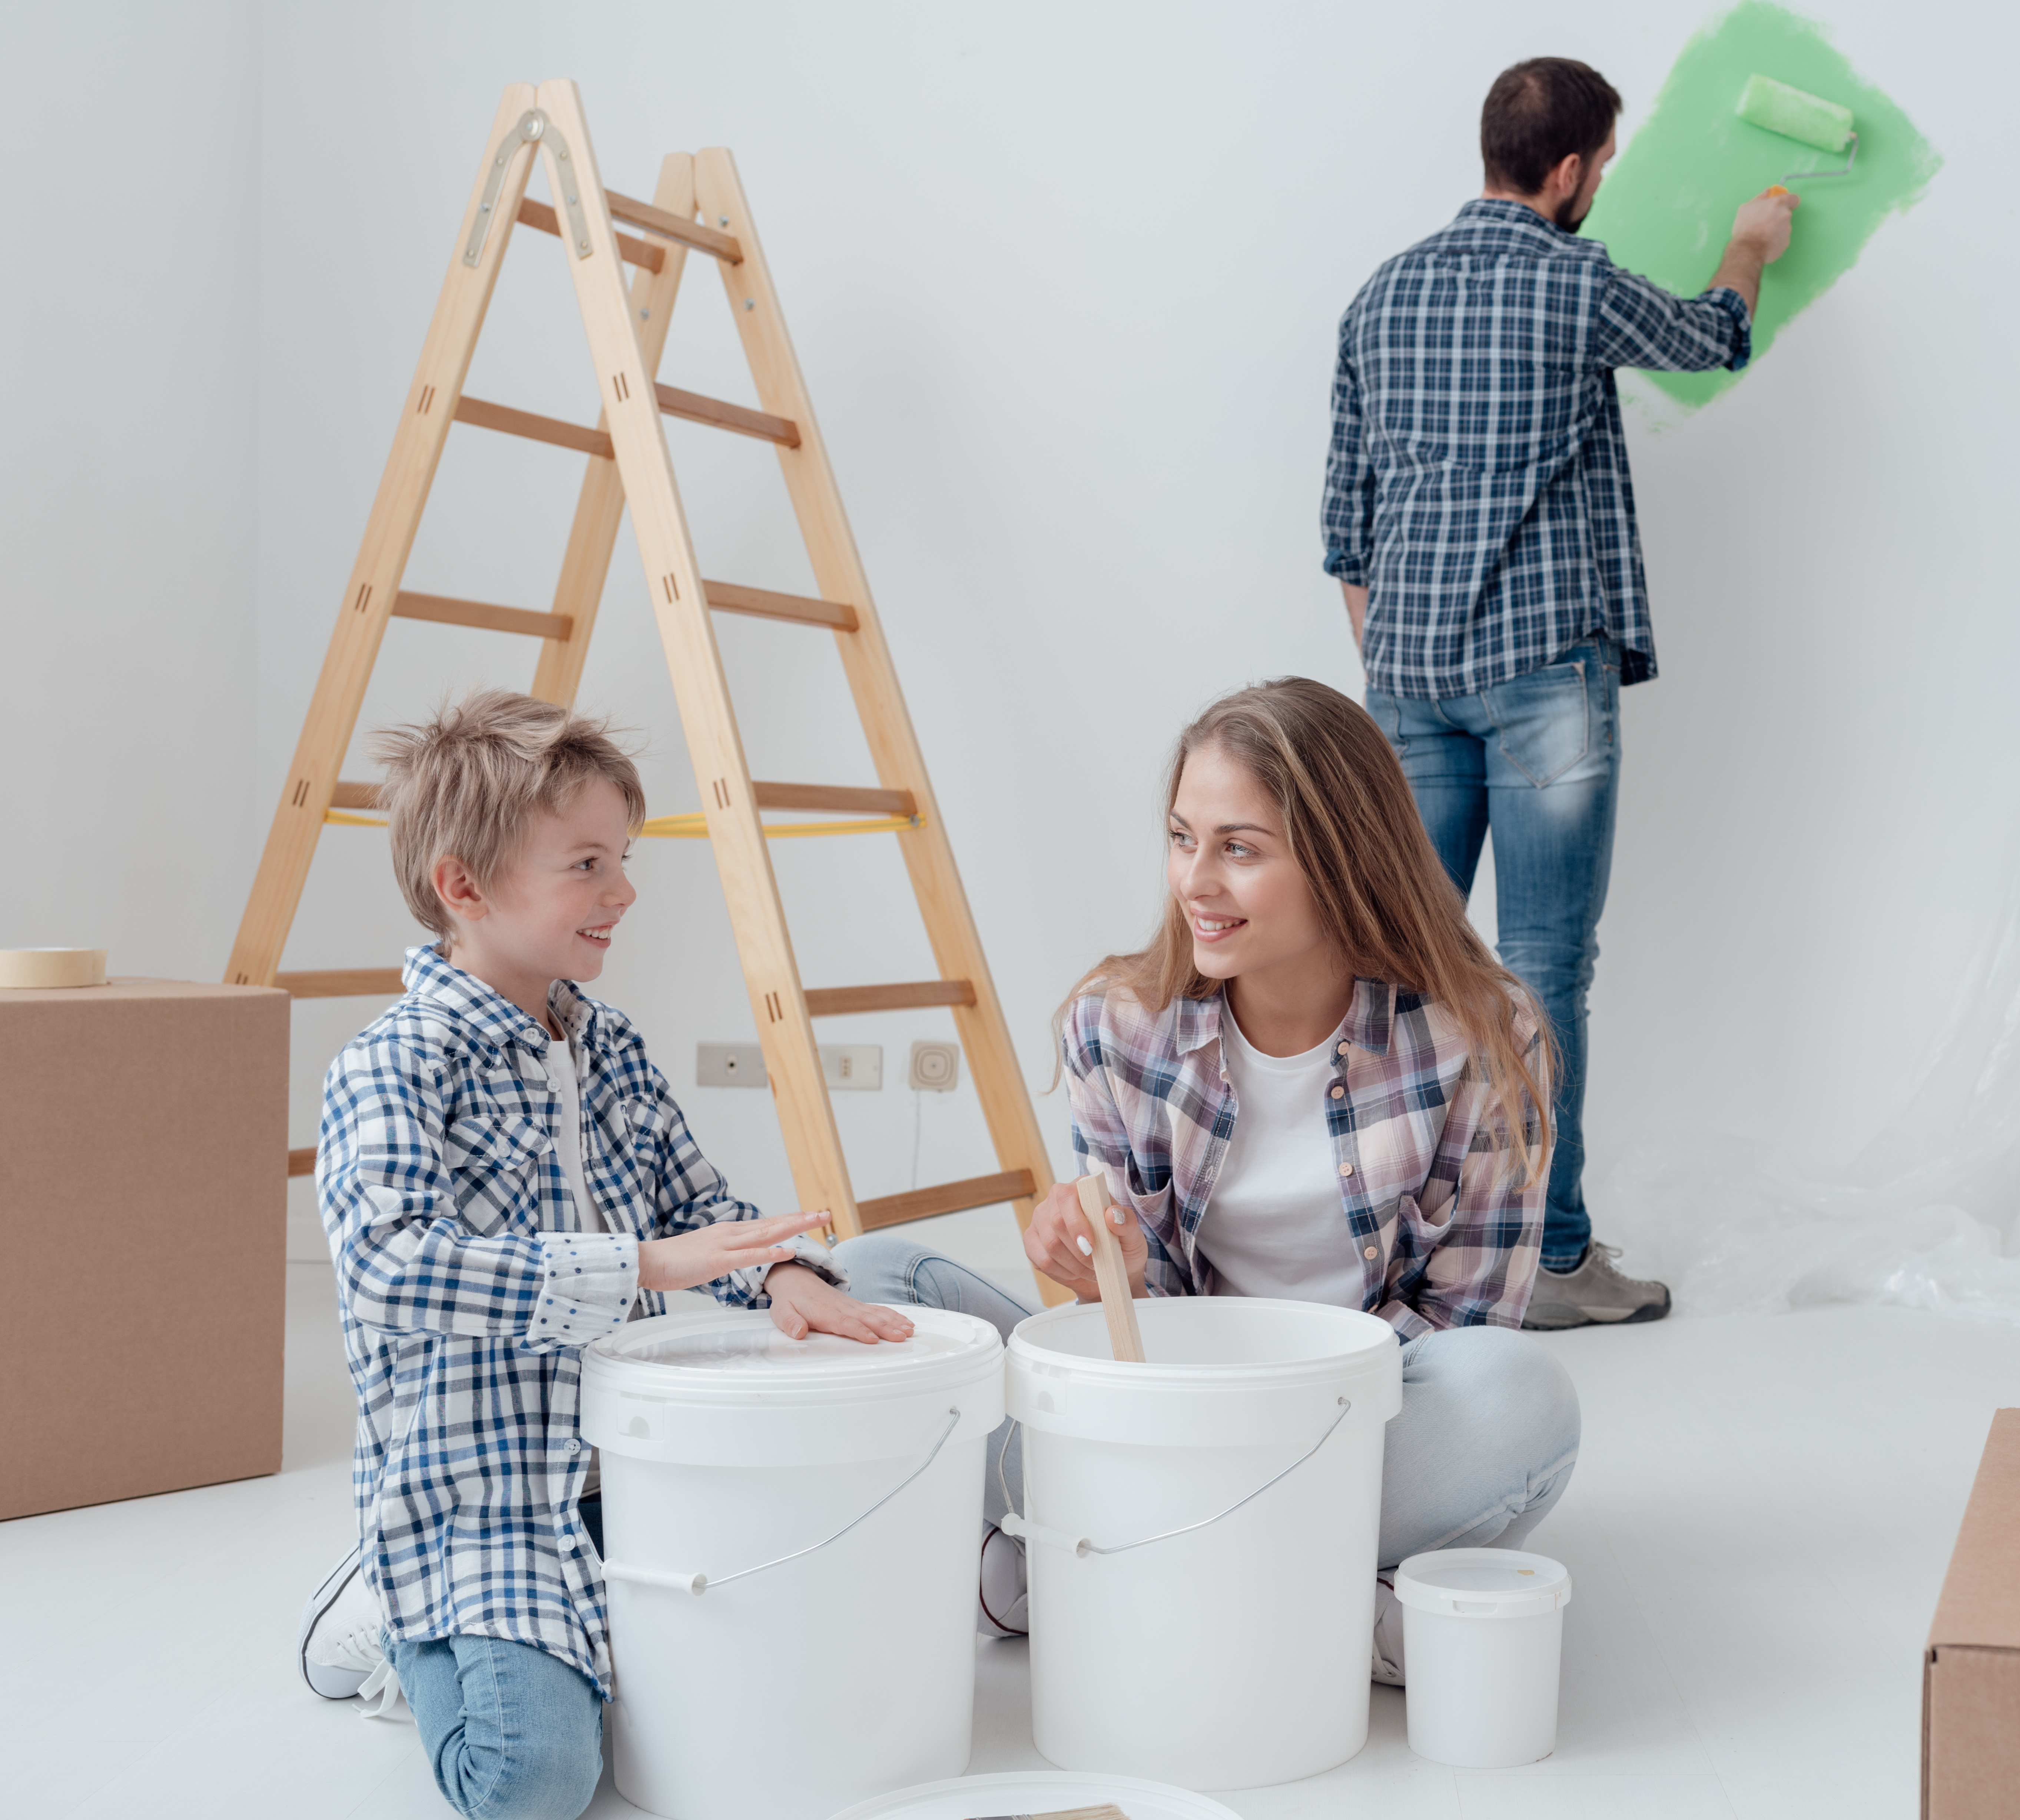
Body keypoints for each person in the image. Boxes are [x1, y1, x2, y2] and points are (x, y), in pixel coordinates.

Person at [835, 677, 1580, 1681]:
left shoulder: (1478, 1037)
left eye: (1240, 848)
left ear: (1343, 859)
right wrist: (1106, 1264)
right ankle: (1307, 1600)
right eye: (1184, 838)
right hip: (1161, 1420)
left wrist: (1255, 1414)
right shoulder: (1118, 1025)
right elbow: (1134, 1334)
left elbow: (1469, 1321)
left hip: (1348, 1423)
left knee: (1519, 1398)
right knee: (870, 1277)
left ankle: (1102, 1569)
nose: (1194, 881)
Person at [295, 691, 910, 1820]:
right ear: (464, 886)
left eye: (620, 860)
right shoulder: (392, 1066)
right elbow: (387, 1265)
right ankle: (397, 1615)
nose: (622, 892)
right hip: (479, 1494)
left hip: (628, 1469)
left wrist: (781, 1275)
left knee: (784, 1667)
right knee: (532, 1784)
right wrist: (638, 1268)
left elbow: (697, 1205)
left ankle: (520, 1630)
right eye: (586, 864)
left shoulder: (607, 1042)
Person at [1320, 57, 1798, 1329]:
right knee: (1538, 976)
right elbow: (1716, 339)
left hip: (1406, 683)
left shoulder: (1380, 297)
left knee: (1391, 976)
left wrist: (1395, 671)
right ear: (1576, 169)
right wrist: (1751, 244)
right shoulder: (1574, 281)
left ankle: (1375, 1258)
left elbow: (1345, 532)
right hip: (1544, 680)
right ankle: (1549, 1261)